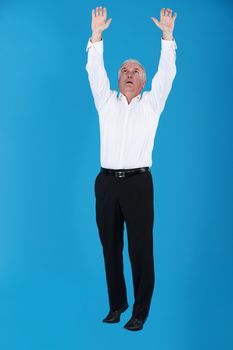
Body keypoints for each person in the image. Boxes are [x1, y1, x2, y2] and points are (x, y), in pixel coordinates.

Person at [86, 6, 177, 331]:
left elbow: (167, 74)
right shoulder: (105, 101)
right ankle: (117, 305)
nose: (128, 72)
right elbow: (93, 70)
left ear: (144, 79)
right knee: (110, 246)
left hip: (138, 183)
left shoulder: (152, 103)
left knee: (140, 247)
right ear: (117, 76)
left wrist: (167, 38)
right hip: (106, 183)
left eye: (136, 70)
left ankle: (140, 311)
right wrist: (96, 36)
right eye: (124, 68)